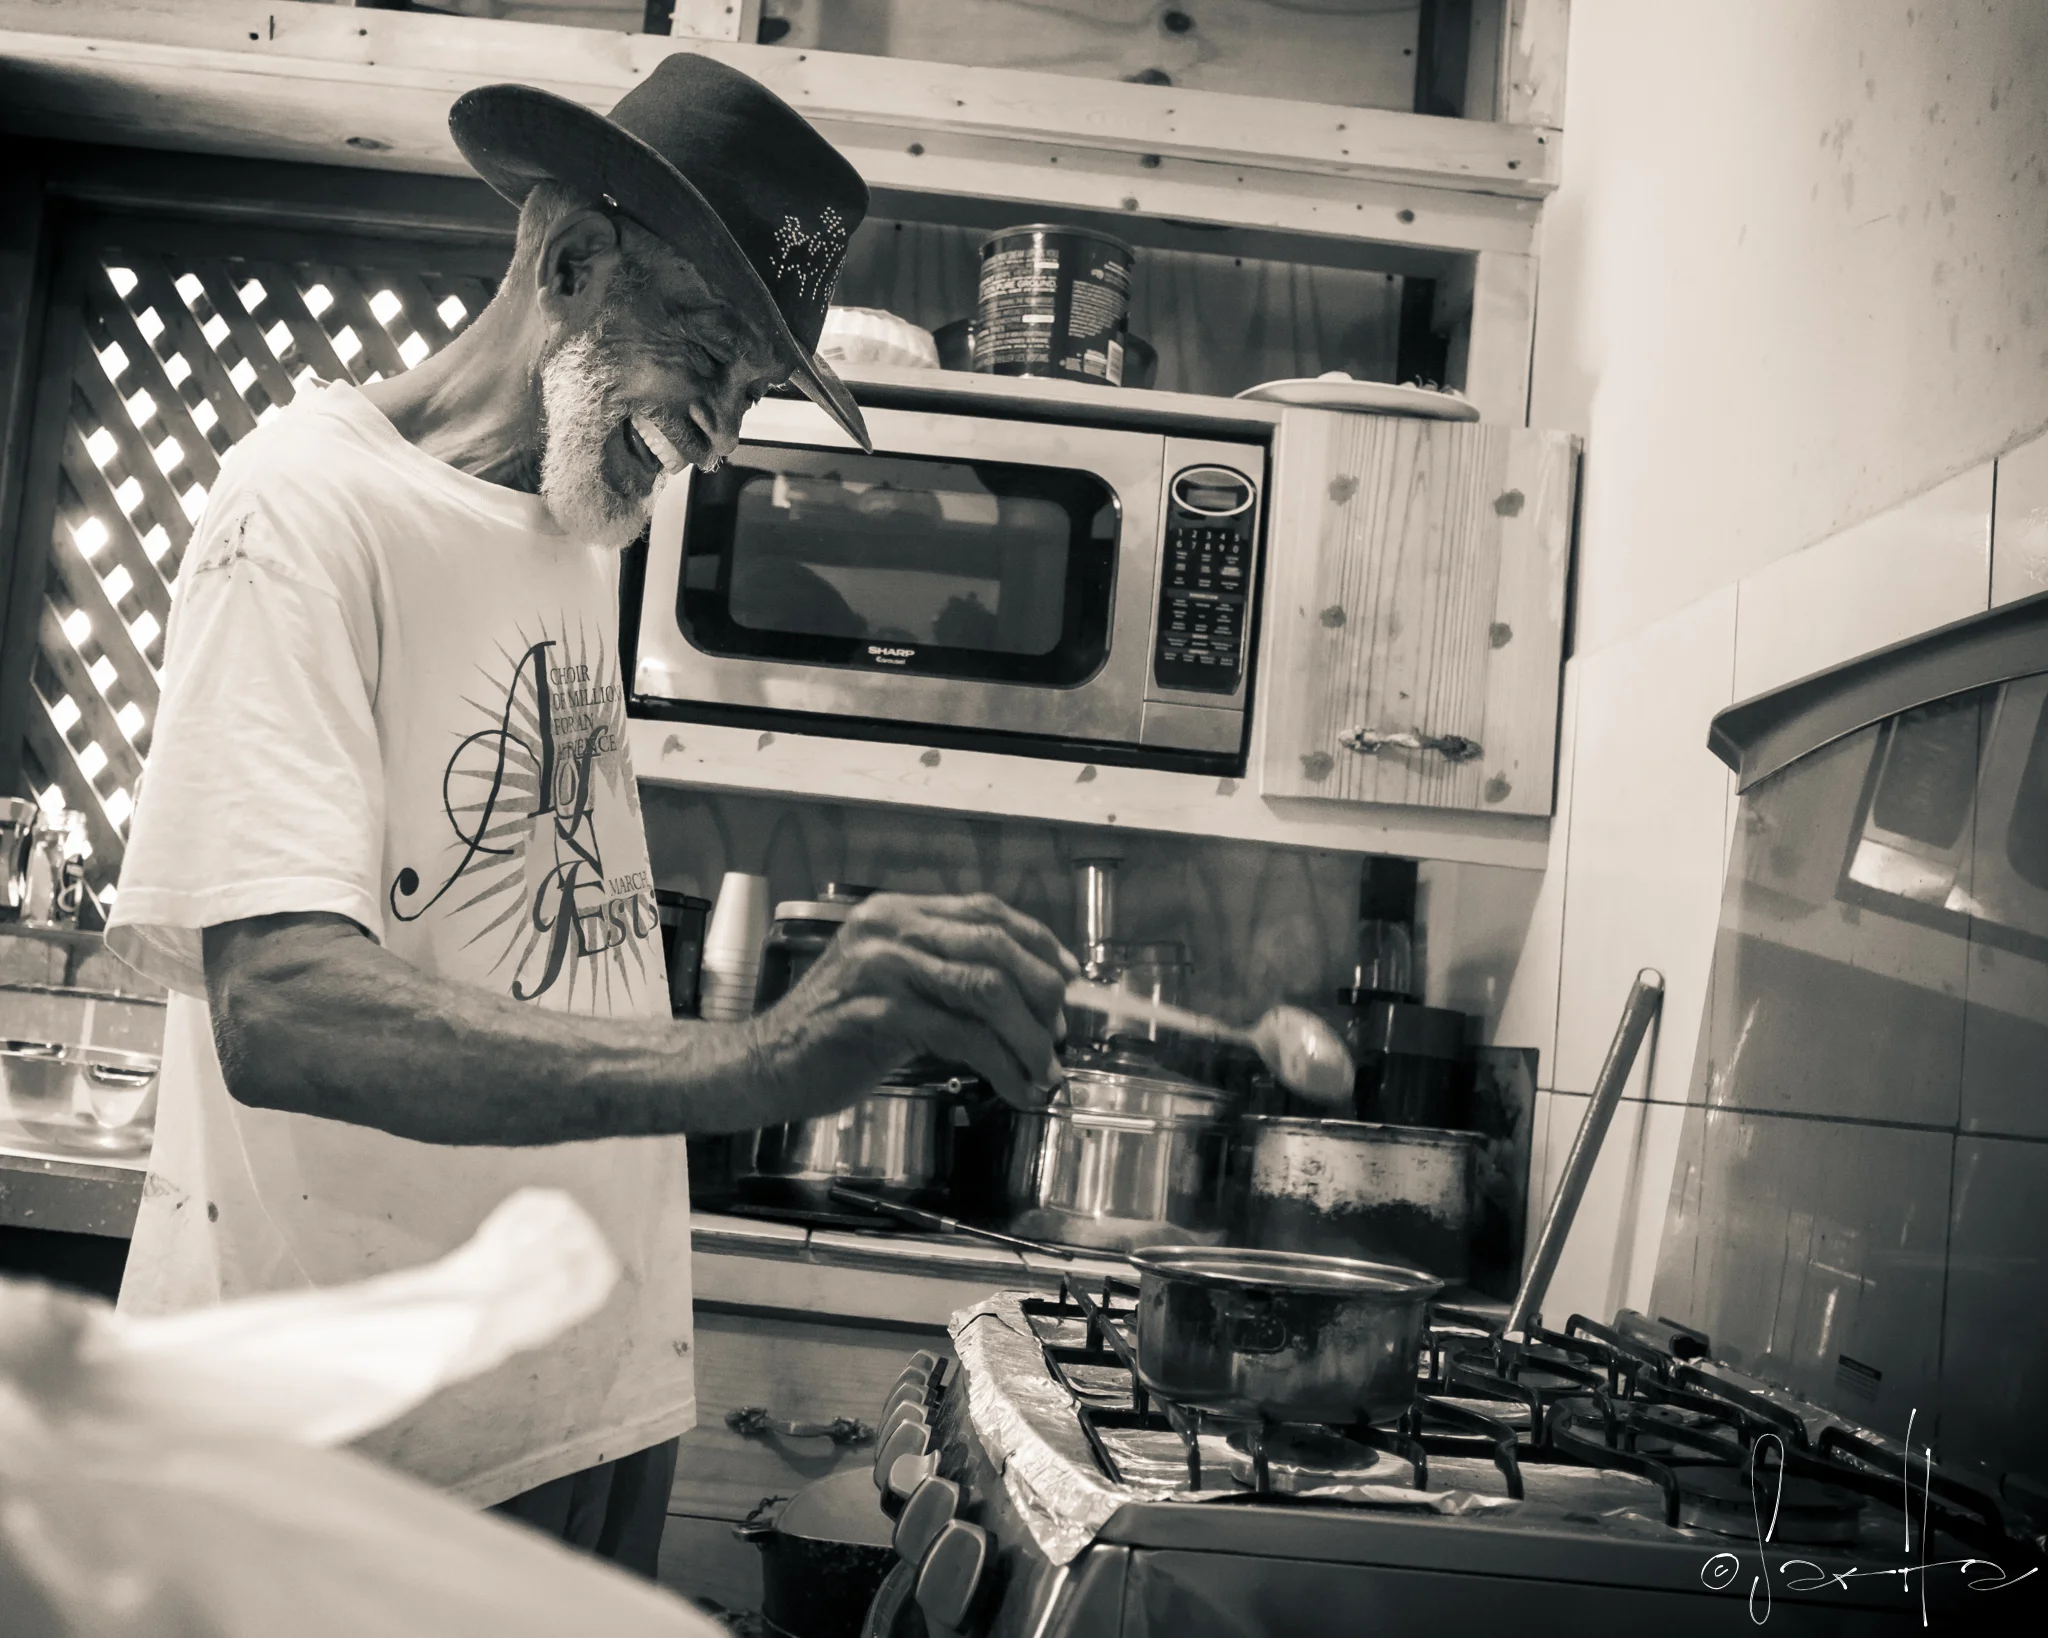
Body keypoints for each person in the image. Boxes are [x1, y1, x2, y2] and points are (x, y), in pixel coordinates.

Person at [105, 56, 1073, 1580]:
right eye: (711, 352)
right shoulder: (297, 512)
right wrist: (763, 1056)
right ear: (570, 263)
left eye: (753, 389)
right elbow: (281, 1006)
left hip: (579, 1407)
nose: (722, 430)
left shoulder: (573, 519)